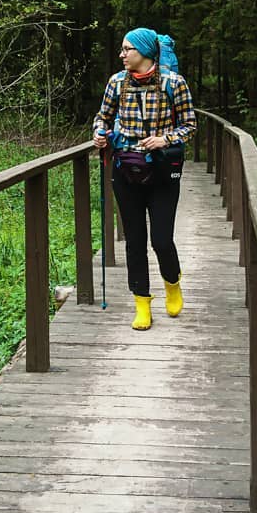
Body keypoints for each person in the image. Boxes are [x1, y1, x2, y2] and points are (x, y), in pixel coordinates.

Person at [92, 28, 197, 330]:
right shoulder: (116, 83)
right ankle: (142, 303)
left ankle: (172, 283)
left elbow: (190, 124)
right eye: (122, 49)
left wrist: (165, 139)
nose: (122, 54)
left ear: (144, 52)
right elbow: (102, 116)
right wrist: (99, 134)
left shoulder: (173, 83)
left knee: (161, 239)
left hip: (162, 171)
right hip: (126, 169)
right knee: (134, 240)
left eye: (127, 49)